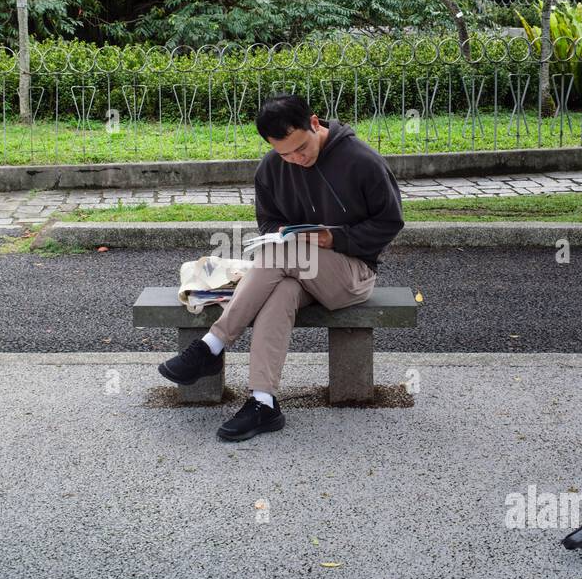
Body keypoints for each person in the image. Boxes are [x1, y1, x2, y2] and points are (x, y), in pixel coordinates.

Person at [158, 93, 405, 441]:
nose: (296, 159)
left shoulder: (361, 160)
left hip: (351, 274)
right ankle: (263, 402)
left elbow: (391, 222)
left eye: (301, 147)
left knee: (278, 255)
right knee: (280, 291)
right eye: (284, 153)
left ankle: (212, 345)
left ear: (314, 124)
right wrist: (282, 233)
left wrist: (334, 240)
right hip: (297, 273)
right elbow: (268, 223)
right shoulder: (272, 168)